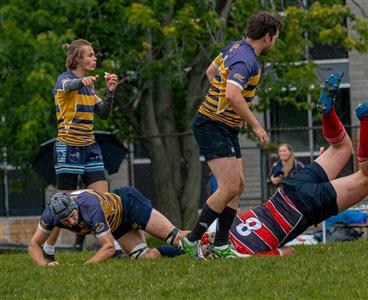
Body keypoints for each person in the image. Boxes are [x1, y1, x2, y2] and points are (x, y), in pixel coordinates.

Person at [197, 72, 368, 257]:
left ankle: (367, 118)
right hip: (288, 190)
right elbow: (191, 236)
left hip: (304, 208)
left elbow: (289, 251)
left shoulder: (242, 255)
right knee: (342, 148)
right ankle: (327, 113)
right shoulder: (223, 228)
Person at [180, 11, 282, 259]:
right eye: (276, 37)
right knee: (228, 187)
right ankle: (192, 241)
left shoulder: (234, 46)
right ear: (267, 37)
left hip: (224, 125)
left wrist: (223, 107)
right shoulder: (247, 60)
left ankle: (222, 245)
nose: (275, 42)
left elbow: (210, 72)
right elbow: (232, 95)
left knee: (238, 186)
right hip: (212, 125)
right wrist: (256, 126)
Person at [43, 39, 121, 261]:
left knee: (102, 197)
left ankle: (110, 246)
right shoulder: (65, 80)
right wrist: (82, 81)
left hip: (90, 147)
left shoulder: (89, 85)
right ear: (77, 59)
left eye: (94, 54)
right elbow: (68, 86)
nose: (94, 58)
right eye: (90, 55)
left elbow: (104, 112)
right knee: (63, 204)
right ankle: (48, 248)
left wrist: (110, 92)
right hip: (69, 147)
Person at [28, 187, 187, 265]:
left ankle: (210, 239)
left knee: (176, 237)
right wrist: (45, 267)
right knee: (144, 257)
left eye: (72, 216)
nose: (71, 222)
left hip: (130, 205)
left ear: (75, 206)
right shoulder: (51, 215)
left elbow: (109, 247)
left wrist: (84, 267)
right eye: (65, 221)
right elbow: (33, 245)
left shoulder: (91, 207)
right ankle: (188, 252)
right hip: (118, 225)